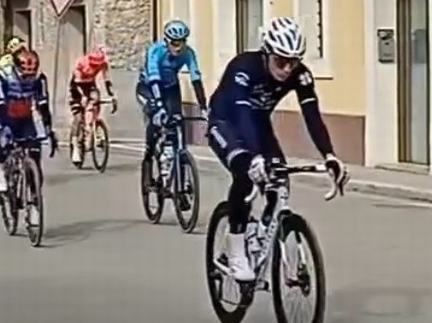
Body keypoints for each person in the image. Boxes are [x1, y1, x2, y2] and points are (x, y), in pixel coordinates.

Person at [206, 17, 347, 281]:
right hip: (226, 121)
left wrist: (329, 155)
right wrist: (255, 158)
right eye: (280, 61)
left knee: (278, 181)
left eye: (293, 62)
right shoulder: (244, 67)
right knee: (245, 170)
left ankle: (261, 236)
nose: (286, 68)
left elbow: (312, 115)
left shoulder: (299, 74)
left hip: (257, 123)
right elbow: (242, 114)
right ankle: (236, 247)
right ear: (267, 52)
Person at [136, 21, 206, 165]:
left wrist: (203, 106)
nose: (179, 47)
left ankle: (179, 153)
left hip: (171, 86)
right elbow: (154, 75)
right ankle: (149, 153)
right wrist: (159, 104)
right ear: (167, 41)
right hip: (149, 86)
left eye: (182, 42)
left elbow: (196, 79)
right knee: (156, 115)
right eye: (174, 43)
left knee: (177, 118)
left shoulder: (188, 53)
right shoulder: (156, 50)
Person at [0, 46, 56, 194]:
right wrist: (5, 129)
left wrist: (48, 129)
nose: (28, 78)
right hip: (5, 114)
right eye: (24, 75)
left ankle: (34, 197)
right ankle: (0, 169)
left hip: (25, 116)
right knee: (5, 141)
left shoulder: (39, 78)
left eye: (31, 75)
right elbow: (0, 103)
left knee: (34, 150)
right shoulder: (3, 76)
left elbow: (43, 104)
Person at [68, 45, 117, 166]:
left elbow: (107, 80)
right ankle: (75, 148)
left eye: (97, 65)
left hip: (90, 85)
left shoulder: (103, 63)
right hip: (77, 87)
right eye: (93, 65)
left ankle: (95, 127)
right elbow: (76, 83)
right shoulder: (81, 63)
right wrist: (83, 97)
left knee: (95, 100)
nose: (95, 67)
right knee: (78, 116)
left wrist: (112, 95)